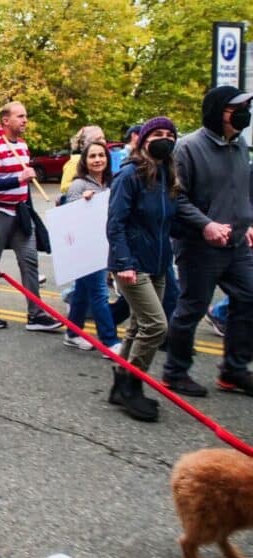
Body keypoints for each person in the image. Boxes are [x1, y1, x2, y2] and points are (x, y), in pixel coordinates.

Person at [163, 86, 253, 397]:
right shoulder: (187, 148)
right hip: (200, 245)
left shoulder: (241, 145)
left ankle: (233, 369)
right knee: (191, 308)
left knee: (250, 296)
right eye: (236, 108)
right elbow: (175, 197)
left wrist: (248, 221)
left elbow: (242, 190)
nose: (244, 114)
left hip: (237, 242)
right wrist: (207, 225)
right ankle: (175, 372)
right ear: (217, 112)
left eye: (247, 106)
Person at [106, 117, 180, 422]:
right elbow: (115, 224)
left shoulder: (167, 175)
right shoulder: (130, 176)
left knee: (138, 325)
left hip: (158, 262)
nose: (165, 139)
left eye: (169, 135)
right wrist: (124, 263)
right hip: (132, 265)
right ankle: (132, 383)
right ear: (143, 140)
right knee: (156, 326)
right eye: (157, 134)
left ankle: (120, 383)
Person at [0, 101, 62, 332]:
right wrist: (18, 179)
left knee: (30, 261)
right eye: (20, 116)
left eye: (26, 116)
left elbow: (24, 186)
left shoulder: (21, 146)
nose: (25, 120)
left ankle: (36, 314)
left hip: (20, 212)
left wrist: (29, 206)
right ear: (6, 120)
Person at [63, 141, 123, 357]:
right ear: (85, 161)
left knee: (82, 291)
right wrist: (84, 201)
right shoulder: (79, 185)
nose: (97, 160)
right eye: (92, 156)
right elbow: (69, 215)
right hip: (85, 247)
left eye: (101, 155)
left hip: (105, 244)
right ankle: (109, 341)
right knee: (99, 292)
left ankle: (72, 333)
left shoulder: (112, 182)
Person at [59, 125, 106, 195]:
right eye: (98, 139)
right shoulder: (76, 161)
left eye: (103, 138)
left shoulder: (103, 159)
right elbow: (63, 187)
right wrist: (87, 188)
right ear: (87, 142)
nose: (103, 141)